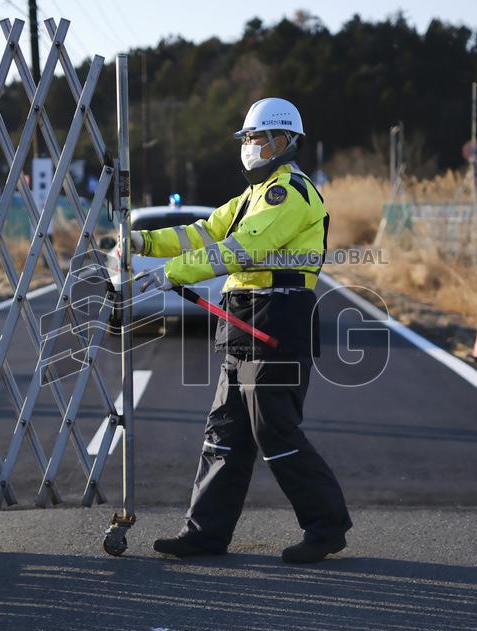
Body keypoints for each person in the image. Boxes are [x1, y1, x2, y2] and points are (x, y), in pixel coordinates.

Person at [129, 97, 352, 564]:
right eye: (247, 138)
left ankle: (326, 527)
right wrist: (143, 241)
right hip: (244, 321)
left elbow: (243, 249)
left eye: (256, 137)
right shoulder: (252, 196)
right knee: (224, 432)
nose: (248, 146)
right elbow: (202, 232)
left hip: (278, 321)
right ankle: (205, 533)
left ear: (284, 141)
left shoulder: (288, 192)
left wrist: (172, 273)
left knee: (275, 431)